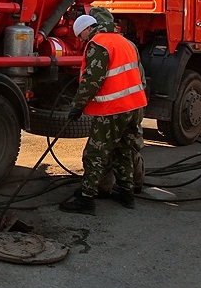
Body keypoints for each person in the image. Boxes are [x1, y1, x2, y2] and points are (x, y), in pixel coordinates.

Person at [59, 13, 147, 215]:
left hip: (114, 109)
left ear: (87, 29)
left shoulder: (99, 44)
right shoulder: (123, 41)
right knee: (123, 150)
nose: (82, 42)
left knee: (95, 153)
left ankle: (86, 199)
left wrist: (77, 106)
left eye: (81, 37)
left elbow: (92, 81)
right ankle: (127, 193)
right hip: (135, 106)